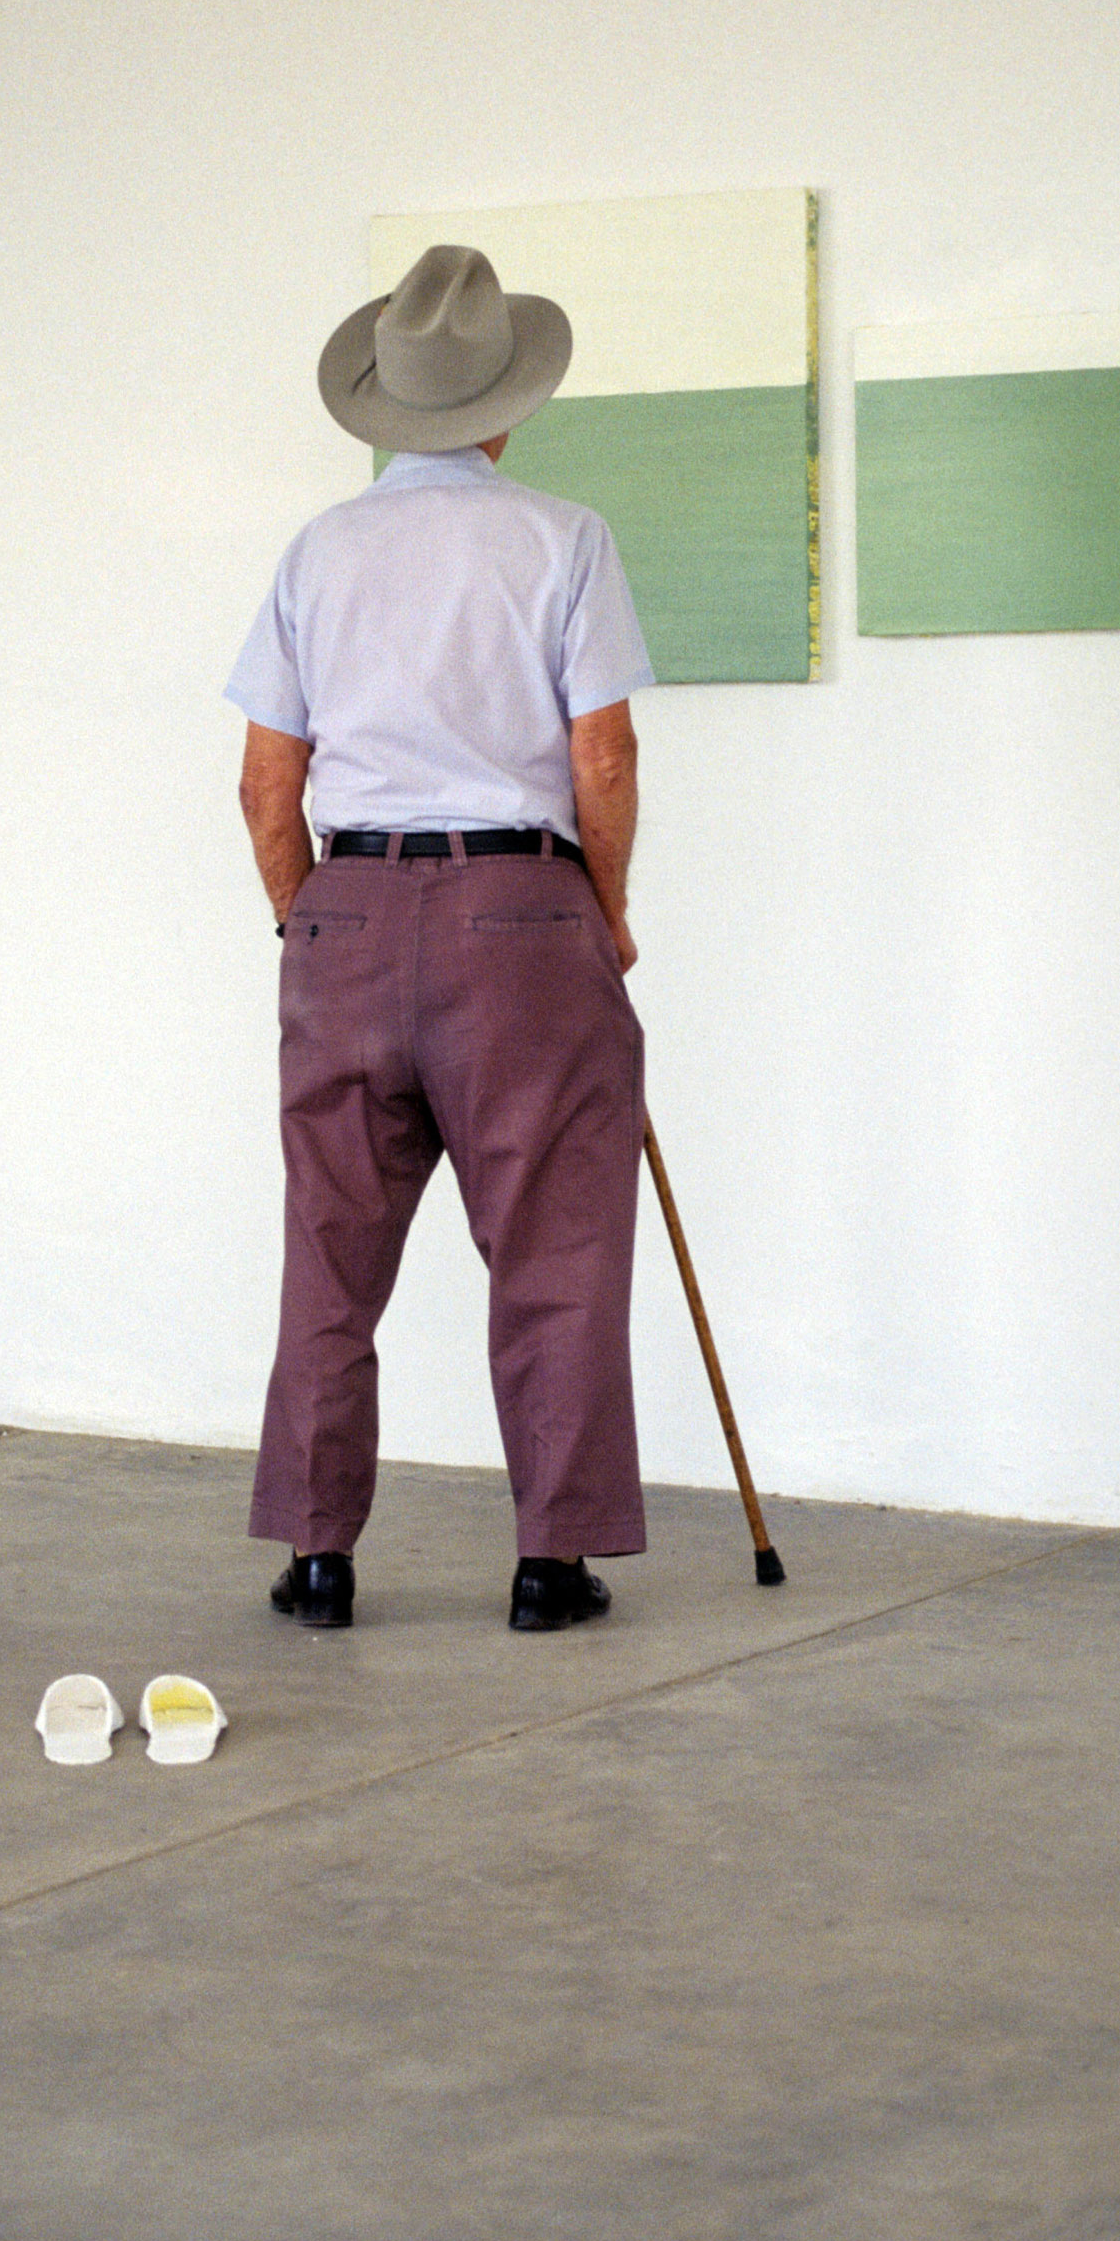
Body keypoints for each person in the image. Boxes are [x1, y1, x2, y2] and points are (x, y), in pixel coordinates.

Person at [226, 243, 655, 1633]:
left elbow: (262, 780)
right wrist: (606, 908)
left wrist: (310, 918)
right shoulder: (564, 537)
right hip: (521, 916)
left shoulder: (317, 550)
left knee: (328, 1249)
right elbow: (604, 756)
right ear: (504, 403)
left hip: (346, 907)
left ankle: (314, 1556)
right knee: (558, 1244)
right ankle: (550, 1560)